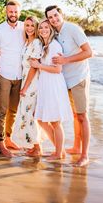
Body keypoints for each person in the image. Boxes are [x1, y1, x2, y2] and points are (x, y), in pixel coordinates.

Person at [45, 5, 93, 167]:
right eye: (50, 17)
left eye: (55, 15)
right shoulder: (54, 33)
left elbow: (88, 52)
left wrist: (66, 60)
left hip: (79, 78)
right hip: (64, 80)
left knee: (82, 115)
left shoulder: (73, 29)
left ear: (61, 14)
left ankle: (85, 155)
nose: (53, 19)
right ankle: (76, 147)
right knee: (74, 115)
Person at [30, 19, 72, 160]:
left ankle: (58, 153)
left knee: (55, 122)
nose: (43, 30)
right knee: (41, 120)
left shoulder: (54, 46)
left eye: (46, 27)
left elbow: (57, 69)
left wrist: (38, 65)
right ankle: (60, 150)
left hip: (53, 84)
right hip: (45, 84)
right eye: (41, 28)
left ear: (51, 29)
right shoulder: (44, 45)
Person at [0, 0, 24, 157]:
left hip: (20, 75)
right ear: (6, 12)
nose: (13, 14)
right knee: (2, 110)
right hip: (4, 74)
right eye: (10, 11)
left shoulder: (25, 27)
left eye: (16, 11)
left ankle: (9, 138)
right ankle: (1, 143)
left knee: (14, 110)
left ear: (20, 12)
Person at [12, 16, 42, 157]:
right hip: (25, 81)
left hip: (32, 83)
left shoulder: (36, 43)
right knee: (26, 114)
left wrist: (25, 88)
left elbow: (33, 68)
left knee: (29, 114)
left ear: (36, 28)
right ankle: (34, 145)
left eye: (32, 26)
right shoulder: (27, 43)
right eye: (27, 25)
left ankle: (37, 147)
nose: (29, 28)